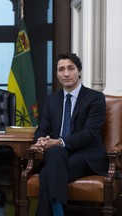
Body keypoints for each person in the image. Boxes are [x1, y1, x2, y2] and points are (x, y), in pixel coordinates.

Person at [31, 53, 109, 216]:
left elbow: (90, 134)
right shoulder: (52, 100)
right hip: (58, 155)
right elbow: (42, 129)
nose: (66, 73)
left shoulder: (95, 98)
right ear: (57, 75)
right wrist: (41, 140)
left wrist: (59, 142)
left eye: (70, 68)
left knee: (46, 173)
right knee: (54, 153)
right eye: (61, 69)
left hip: (86, 156)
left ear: (79, 71)